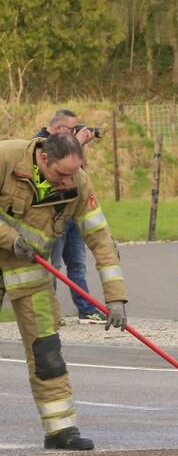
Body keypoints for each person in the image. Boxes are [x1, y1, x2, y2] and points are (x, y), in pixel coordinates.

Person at [0, 134, 129, 450]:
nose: (68, 182)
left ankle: (60, 429)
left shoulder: (78, 182)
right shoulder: (5, 157)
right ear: (43, 159)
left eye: (75, 173)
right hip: (8, 251)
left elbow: (100, 237)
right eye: (61, 175)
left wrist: (116, 297)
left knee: (47, 353)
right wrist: (9, 238)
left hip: (31, 278)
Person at [36, 109, 104, 323]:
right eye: (72, 129)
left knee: (78, 264)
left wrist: (79, 145)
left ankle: (86, 309)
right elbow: (44, 187)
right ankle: (51, 312)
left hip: (75, 213)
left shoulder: (73, 146)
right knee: (53, 267)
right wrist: (75, 141)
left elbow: (78, 172)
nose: (76, 131)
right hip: (55, 216)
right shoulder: (40, 145)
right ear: (58, 128)